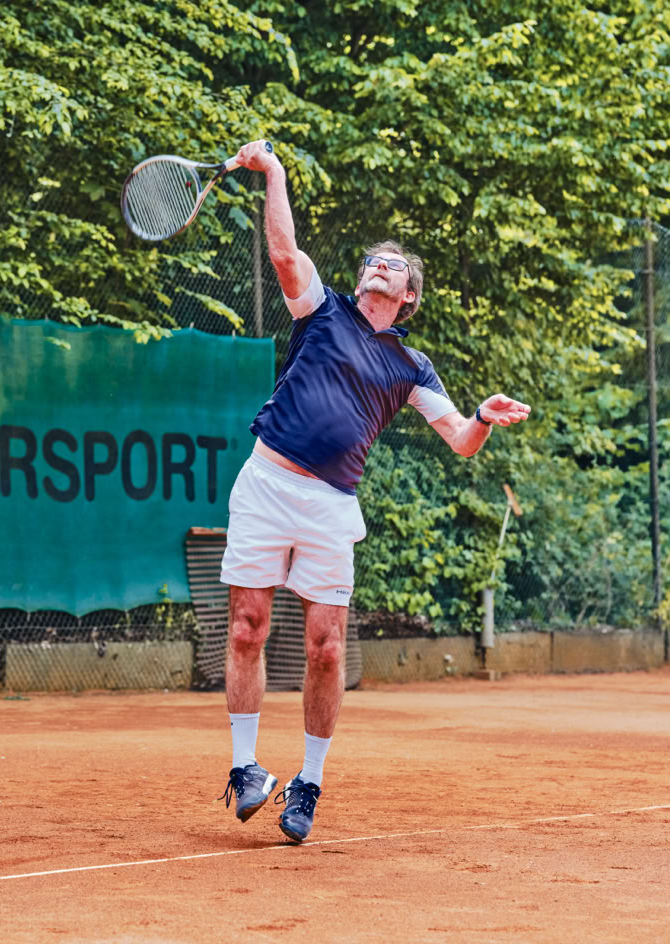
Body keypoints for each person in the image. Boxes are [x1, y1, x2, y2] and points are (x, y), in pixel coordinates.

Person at [218, 140, 532, 843]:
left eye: (394, 265)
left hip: (332, 505)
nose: (379, 265)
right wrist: (275, 173)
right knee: (246, 627)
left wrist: (482, 415)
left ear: (409, 295)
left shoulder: (413, 367)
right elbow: (283, 250)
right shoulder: (321, 311)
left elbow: (458, 439)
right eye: (373, 260)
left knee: (327, 646)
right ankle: (243, 770)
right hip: (266, 482)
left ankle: (309, 784)